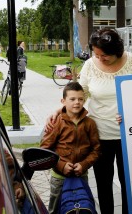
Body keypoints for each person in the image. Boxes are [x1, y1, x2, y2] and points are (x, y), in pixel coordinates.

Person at [46, 28, 132, 214]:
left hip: (128, 135)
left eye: (104, 55)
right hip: (99, 134)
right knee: (104, 183)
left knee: (128, 184)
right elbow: (79, 93)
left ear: (117, 50)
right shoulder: (91, 65)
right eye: (96, 54)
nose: (100, 58)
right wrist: (59, 110)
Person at [40, 82, 101, 214]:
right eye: (72, 99)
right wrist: (61, 165)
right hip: (59, 178)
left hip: (81, 176)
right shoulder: (56, 122)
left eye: (80, 99)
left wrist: (84, 165)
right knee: (55, 209)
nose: (77, 102)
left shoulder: (90, 124)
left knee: (81, 207)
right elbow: (44, 150)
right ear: (63, 101)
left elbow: (96, 150)